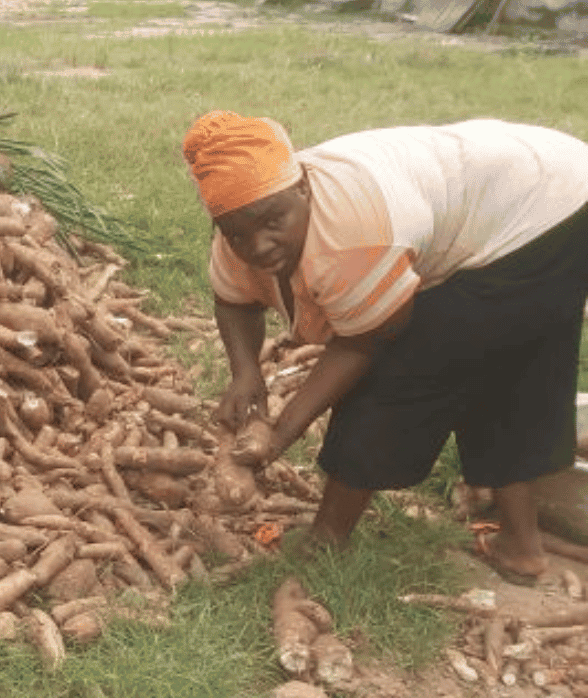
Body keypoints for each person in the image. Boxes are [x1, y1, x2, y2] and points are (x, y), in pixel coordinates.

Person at [181, 110, 588, 584]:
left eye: (274, 222)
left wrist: (282, 431)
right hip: (522, 182)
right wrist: (245, 373)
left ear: (304, 189)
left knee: (409, 371)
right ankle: (521, 546)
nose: (258, 245)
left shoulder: (359, 235)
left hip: (546, 203)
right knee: (497, 361)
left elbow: (362, 344)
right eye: (237, 234)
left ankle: (327, 540)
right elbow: (233, 300)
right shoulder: (246, 219)